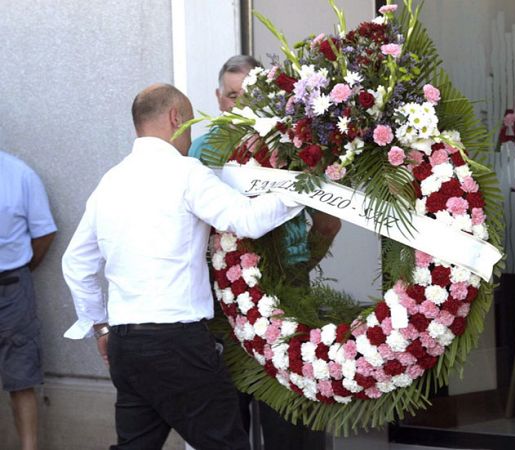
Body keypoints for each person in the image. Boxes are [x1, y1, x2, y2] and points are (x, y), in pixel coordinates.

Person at [62, 83, 304, 449]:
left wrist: (100, 327)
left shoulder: (110, 181)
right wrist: (303, 190)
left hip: (125, 345)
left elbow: (75, 263)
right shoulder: (186, 172)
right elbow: (247, 219)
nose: (190, 136)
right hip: (177, 344)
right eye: (190, 123)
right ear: (176, 118)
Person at [191, 55, 339, 450]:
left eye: (250, 97)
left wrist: (298, 266)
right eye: (233, 96)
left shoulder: (293, 150)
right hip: (222, 299)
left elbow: (328, 223)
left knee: (289, 415)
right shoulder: (200, 152)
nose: (240, 105)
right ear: (218, 98)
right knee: (229, 419)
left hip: (288, 292)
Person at [0, 150, 57, 450]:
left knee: (21, 377)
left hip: (11, 287)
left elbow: (44, 233)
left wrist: (21, 267)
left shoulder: (20, 175)